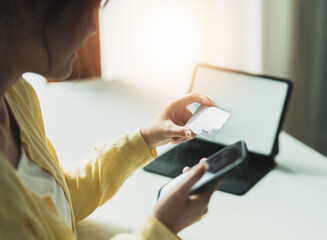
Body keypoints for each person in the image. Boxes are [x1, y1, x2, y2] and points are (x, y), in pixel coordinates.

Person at [0, 0, 217, 239]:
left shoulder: (17, 93)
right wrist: (162, 228)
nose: (93, 27)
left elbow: (59, 197)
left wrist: (146, 138)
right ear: (29, 7)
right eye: (88, 8)